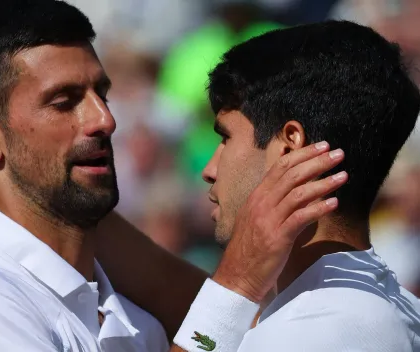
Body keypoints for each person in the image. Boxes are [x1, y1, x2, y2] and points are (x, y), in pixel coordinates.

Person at [0, 1, 345, 351]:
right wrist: (238, 282)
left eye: (101, 95)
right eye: (64, 102)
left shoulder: (140, 326)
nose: (105, 119)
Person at [104, 21, 420, 351]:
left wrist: (236, 282)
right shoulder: (395, 309)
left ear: (289, 146)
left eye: (225, 137)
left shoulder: (307, 333)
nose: (210, 170)